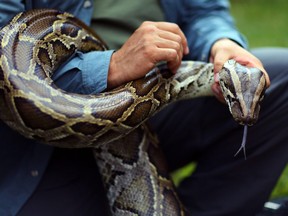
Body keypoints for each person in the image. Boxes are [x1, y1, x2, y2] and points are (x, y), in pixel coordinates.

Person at [0, 0, 287, 215]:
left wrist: (221, 42)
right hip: (38, 146)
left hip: (148, 97)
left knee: (283, 75)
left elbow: (203, 11)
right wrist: (113, 66)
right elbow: (8, 64)